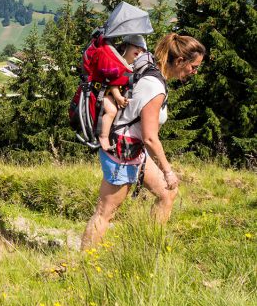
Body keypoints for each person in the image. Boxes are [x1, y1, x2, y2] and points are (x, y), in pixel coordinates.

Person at [81, 32, 205, 250]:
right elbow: (149, 137)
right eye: (193, 66)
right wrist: (167, 170)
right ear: (179, 61)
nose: (194, 72)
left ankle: (147, 249)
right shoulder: (155, 87)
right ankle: (84, 266)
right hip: (122, 151)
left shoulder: (149, 68)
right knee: (104, 213)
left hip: (132, 149)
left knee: (167, 193)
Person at [97, 35, 148, 152]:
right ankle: (103, 137)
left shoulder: (131, 67)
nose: (139, 50)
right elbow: (112, 81)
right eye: (136, 46)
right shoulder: (117, 61)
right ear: (125, 46)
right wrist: (118, 97)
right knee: (112, 111)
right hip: (102, 93)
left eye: (143, 50)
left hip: (110, 95)